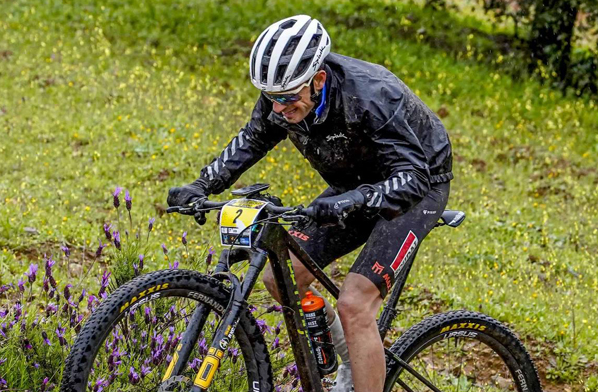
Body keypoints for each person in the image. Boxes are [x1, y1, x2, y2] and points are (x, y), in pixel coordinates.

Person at [167, 15, 452, 392]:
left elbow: (412, 177)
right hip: (353, 182)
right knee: (280, 279)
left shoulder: (373, 94)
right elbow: (254, 138)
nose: (279, 109)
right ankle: (351, 365)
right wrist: (204, 183)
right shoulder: (283, 94)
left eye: (287, 99)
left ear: (318, 79)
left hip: (418, 185)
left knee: (355, 304)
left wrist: (355, 200)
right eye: (271, 99)